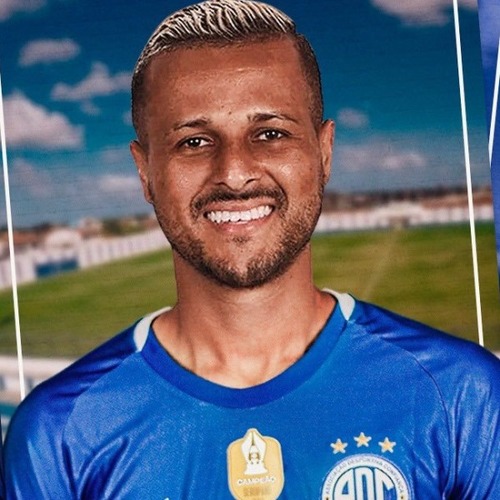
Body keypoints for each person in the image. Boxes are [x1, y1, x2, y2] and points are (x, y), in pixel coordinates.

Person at [2, 0, 500, 498]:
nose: (235, 173)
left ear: (324, 153)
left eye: (270, 133)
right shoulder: (61, 435)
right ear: (144, 172)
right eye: (194, 142)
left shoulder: (463, 396)